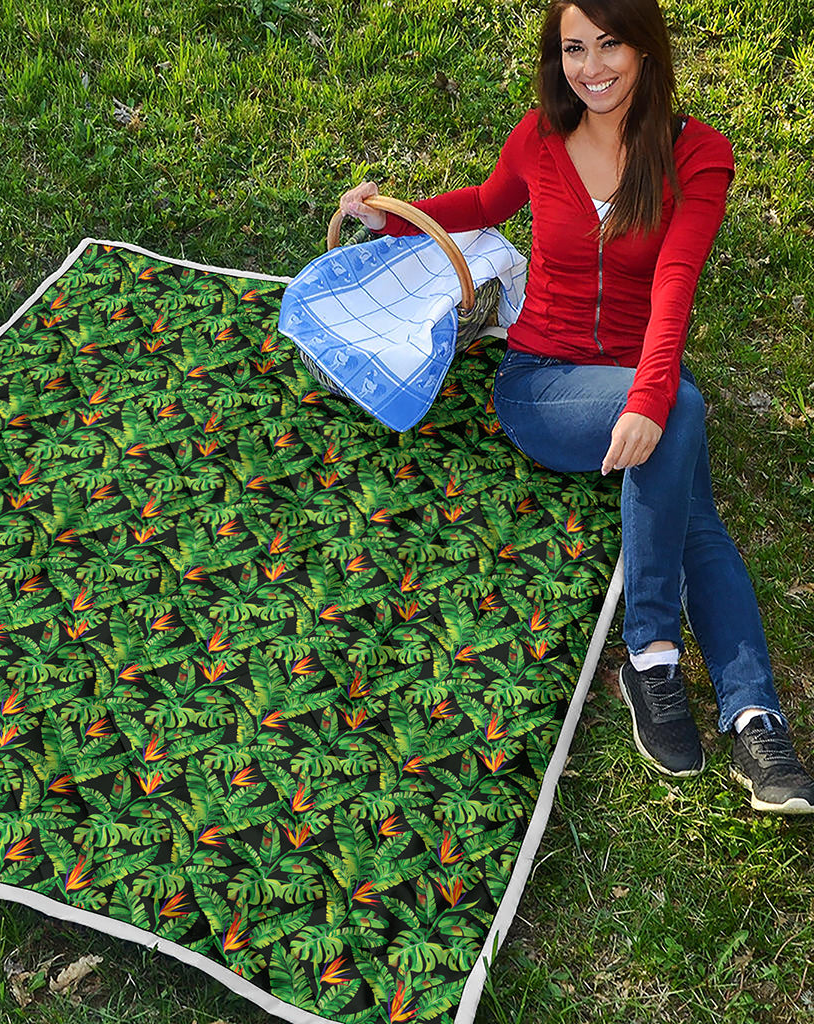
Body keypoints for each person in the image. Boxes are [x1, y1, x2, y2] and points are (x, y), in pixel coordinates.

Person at [338, 0, 814, 814]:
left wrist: (651, 397)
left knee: (688, 478)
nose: (591, 67)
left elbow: (675, 284)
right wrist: (393, 221)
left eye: (610, 44)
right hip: (542, 384)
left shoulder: (697, 155)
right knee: (684, 419)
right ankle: (657, 653)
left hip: (634, 378)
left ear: (646, 49)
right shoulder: (540, 137)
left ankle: (749, 715)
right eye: (573, 49)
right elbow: (486, 204)